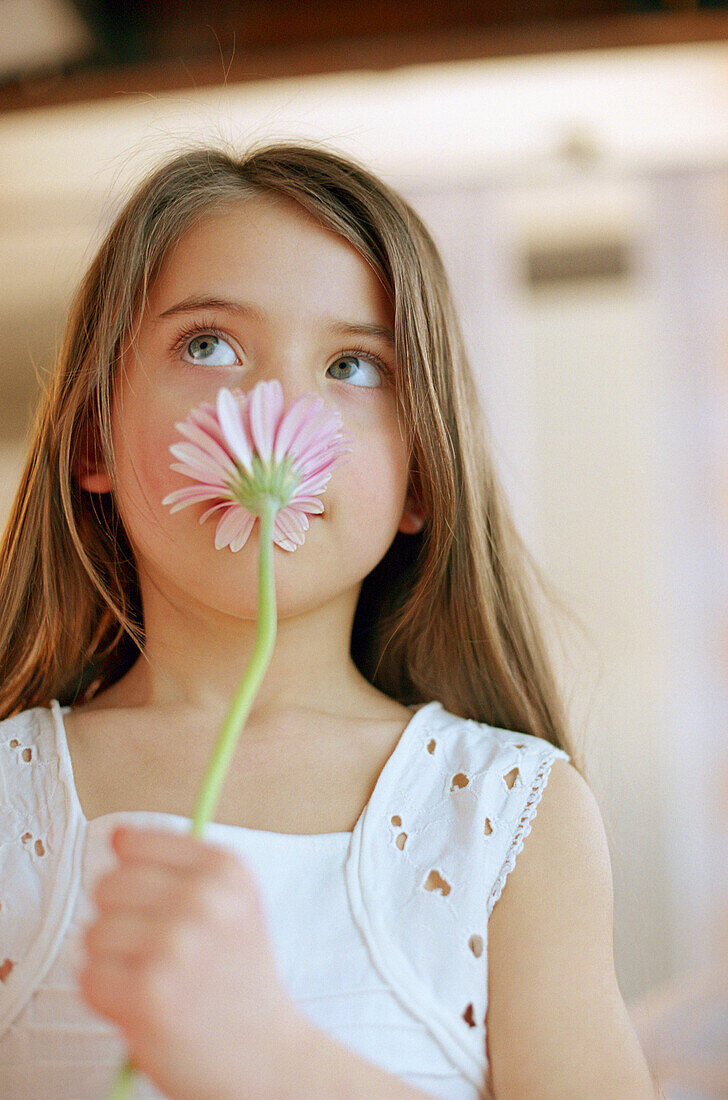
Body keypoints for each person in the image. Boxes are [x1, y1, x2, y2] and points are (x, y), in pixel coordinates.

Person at [0, 141, 662, 1099]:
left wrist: (275, 1058)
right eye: (209, 346)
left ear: (419, 478)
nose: (274, 408)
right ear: (92, 429)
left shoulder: (511, 815)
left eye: (353, 365)